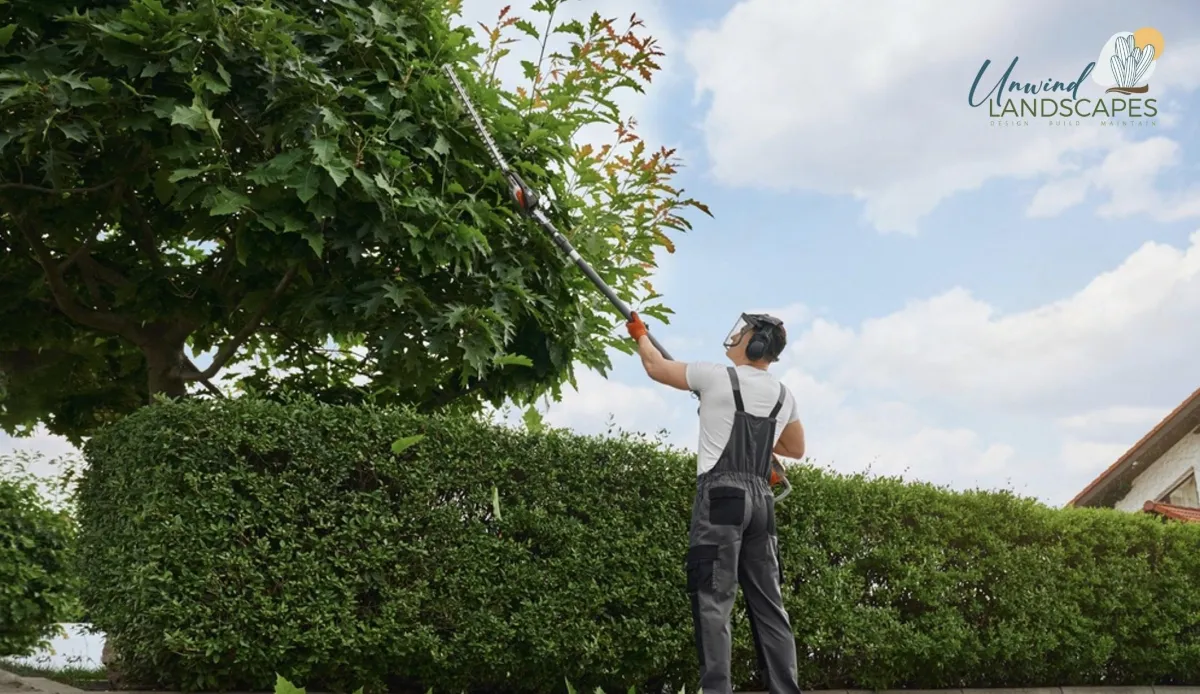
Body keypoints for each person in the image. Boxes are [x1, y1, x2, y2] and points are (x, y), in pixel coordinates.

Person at [626, 311, 806, 694]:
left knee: (713, 601)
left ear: (755, 343)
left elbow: (656, 367)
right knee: (769, 605)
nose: (736, 335)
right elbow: (795, 448)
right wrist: (761, 447)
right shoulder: (783, 394)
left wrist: (639, 332)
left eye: (742, 332)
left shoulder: (714, 376)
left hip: (722, 497)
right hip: (762, 502)